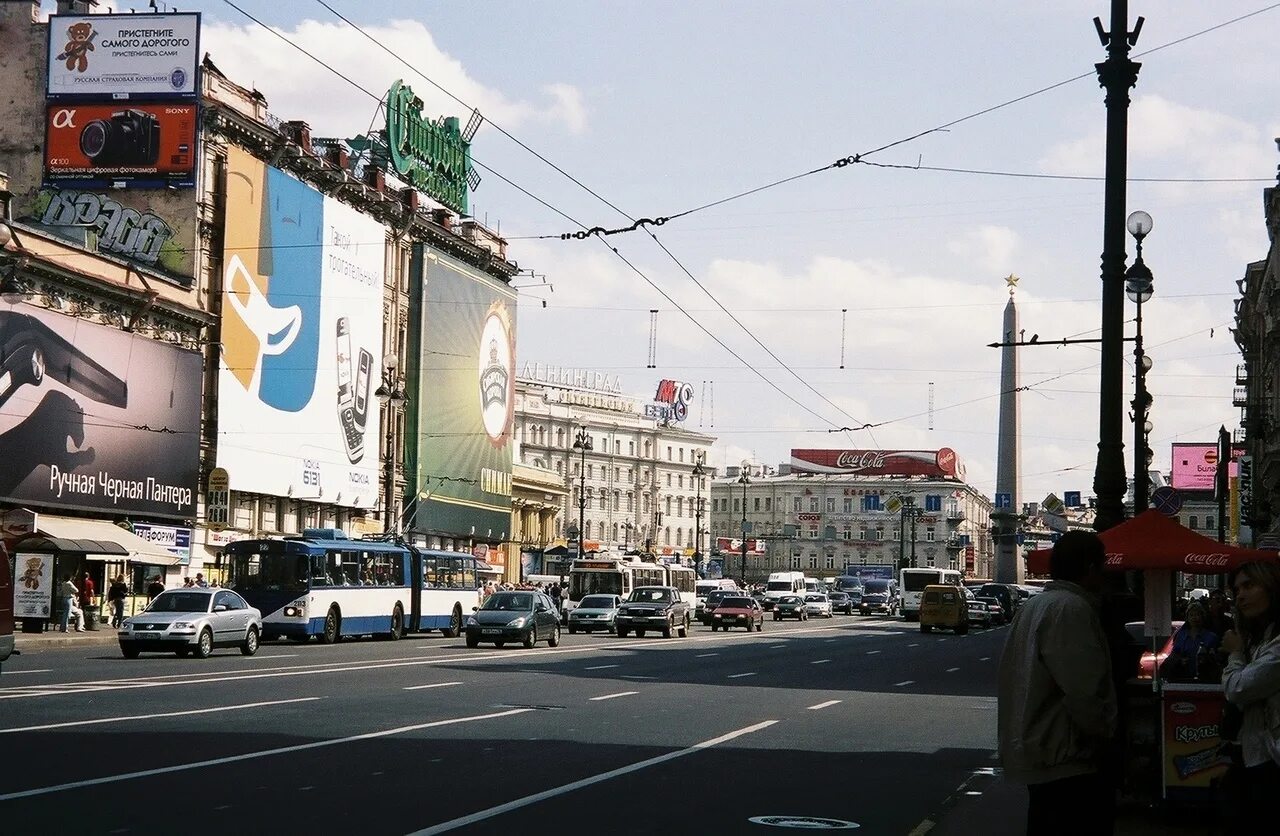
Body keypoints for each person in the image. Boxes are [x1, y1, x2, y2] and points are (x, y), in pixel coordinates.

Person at [998, 530, 1117, 835]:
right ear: (1091, 569)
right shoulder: (1072, 609)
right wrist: (1106, 737)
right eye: (1102, 566)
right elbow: (1084, 692)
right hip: (1066, 758)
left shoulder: (1033, 607)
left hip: (1038, 752)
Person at [1221, 560, 1280, 804]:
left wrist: (1234, 654)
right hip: (1255, 756)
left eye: (1249, 585)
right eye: (1236, 590)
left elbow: (1238, 688)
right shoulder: (1260, 639)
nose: (1240, 596)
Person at [1164, 601, 1220, 682]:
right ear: (1187, 618)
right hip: (1184, 678)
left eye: (1197, 615)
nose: (1195, 618)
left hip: (1206, 679)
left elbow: (1216, 659)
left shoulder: (1211, 637)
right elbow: (1174, 655)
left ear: (1202, 617)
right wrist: (1180, 661)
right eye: (1191, 615)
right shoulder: (1181, 635)